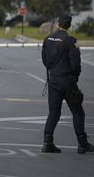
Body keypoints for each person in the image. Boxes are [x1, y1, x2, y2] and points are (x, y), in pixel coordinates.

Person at [41, 14, 94, 154]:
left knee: (53, 112)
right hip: (68, 82)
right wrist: (74, 77)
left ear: (58, 23)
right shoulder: (71, 41)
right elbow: (76, 64)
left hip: (53, 80)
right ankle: (82, 144)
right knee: (77, 112)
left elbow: (45, 60)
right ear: (69, 25)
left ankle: (47, 143)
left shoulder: (48, 39)